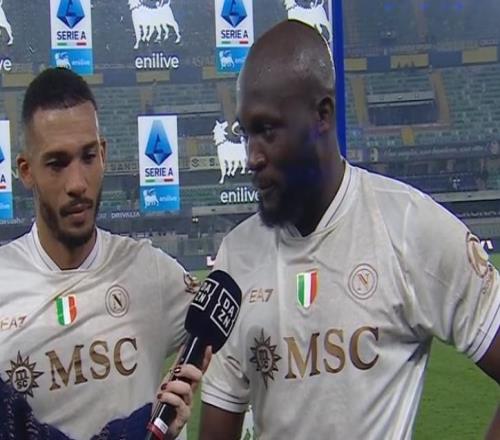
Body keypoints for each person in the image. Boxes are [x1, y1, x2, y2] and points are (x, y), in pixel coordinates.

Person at [199, 20, 500, 439]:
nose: (252, 156)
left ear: (322, 114)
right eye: (246, 134)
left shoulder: (410, 227)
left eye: (267, 130)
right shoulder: (236, 258)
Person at [0, 67, 207, 439]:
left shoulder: (150, 272)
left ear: (104, 154)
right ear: (26, 170)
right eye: (57, 163)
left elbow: (234, 320)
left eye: (88, 156)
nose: (77, 183)